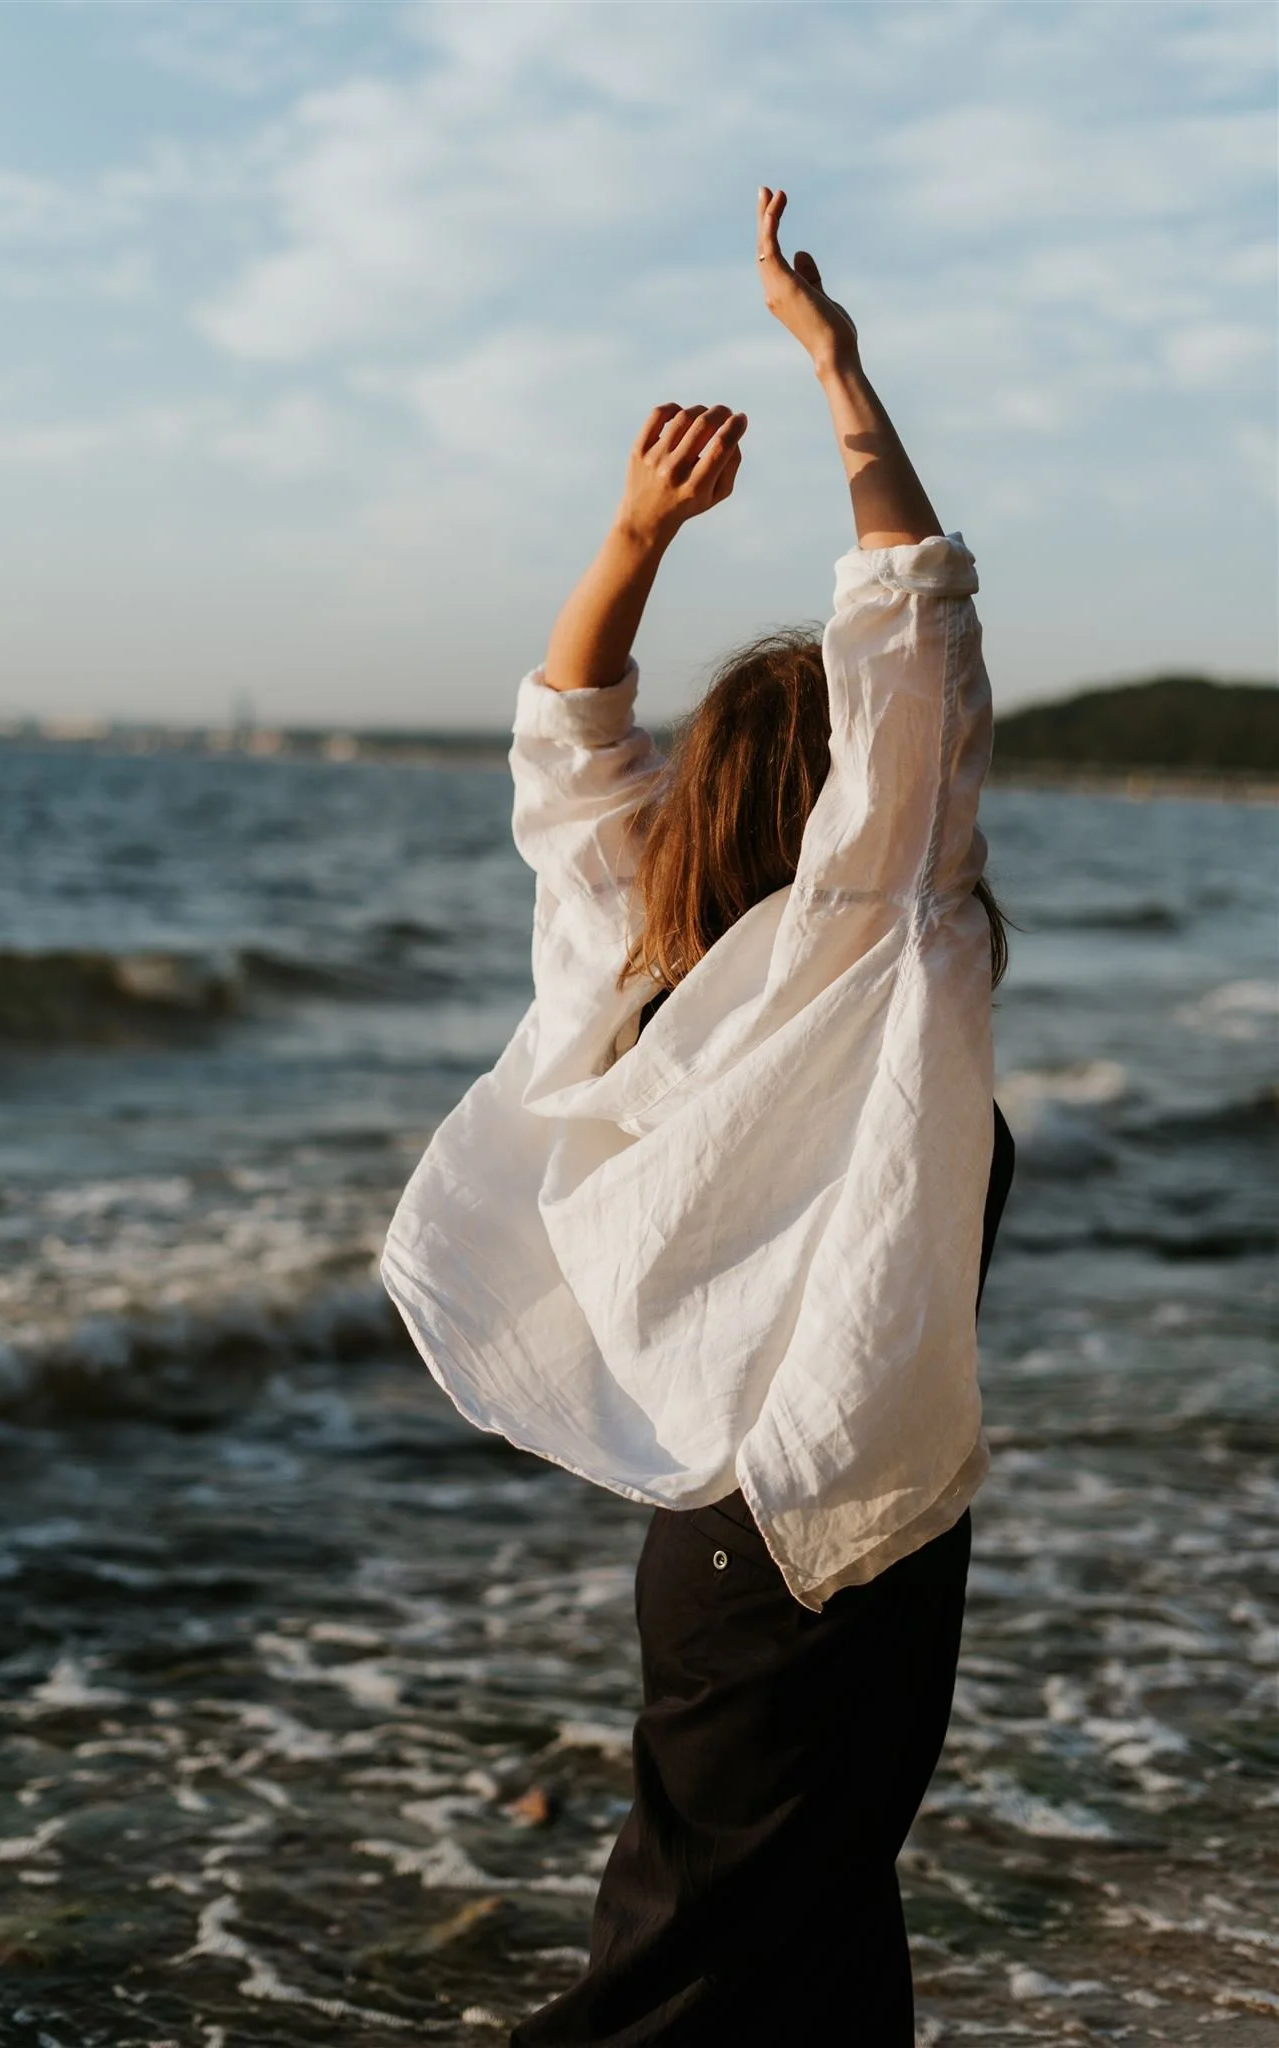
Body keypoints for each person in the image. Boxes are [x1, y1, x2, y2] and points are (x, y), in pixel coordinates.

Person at [380, 187, 1016, 2044]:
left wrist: (634, 536)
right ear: (844, 809)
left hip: (779, 1544)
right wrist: (840, 378)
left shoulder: (641, 984)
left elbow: (568, 755)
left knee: (815, 1948)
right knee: (689, 1978)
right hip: (820, 1536)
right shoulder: (860, 965)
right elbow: (914, 648)